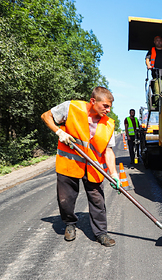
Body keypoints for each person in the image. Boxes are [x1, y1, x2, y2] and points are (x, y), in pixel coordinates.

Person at [40, 86, 122, 247]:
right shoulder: (71, 107)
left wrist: (114, 174)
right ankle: (70, 223)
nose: (108, 110)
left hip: (93, 167)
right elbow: (46, 116)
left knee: (98, 200)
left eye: (110, 106)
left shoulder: (109, 124)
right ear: (93, 101)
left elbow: (108, 151)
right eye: (105, 105)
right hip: (69, 163)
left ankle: (101, 233)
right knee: (66, 200)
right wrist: (59, 132)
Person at [145, 35, 162, 105]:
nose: (159, 42)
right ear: (154, 42)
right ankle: (157, 104)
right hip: (156, 74)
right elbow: (147, 59)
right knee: (157, 92)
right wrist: (148, 65)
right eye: (157, 40)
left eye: (160, 40)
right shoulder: (152, 50)